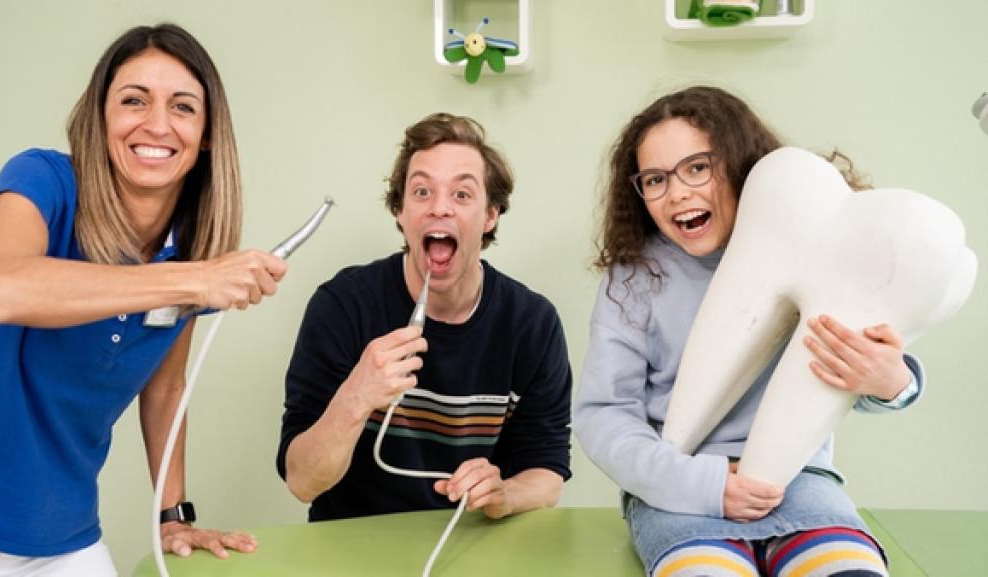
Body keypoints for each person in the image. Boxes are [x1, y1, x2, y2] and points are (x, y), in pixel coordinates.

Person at [0, 24, 288, 576]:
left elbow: (164, 388)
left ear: (207, 134)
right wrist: (190, 280)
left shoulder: (186, 255)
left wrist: (174, 515)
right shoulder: (42, 181)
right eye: (134, 100)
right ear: (101, 116)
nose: (157, 124)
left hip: (65, 536)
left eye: (183, 107)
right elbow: (5, 289)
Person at [573, 86, 924, 577]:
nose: (677, 193)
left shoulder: (819, 250)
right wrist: (701, 483)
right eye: (655, 179)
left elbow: (848, 375)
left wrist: (893, 382)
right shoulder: (634, 281)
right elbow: (604, 415)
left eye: (697, 168)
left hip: (800, 481)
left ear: (741, 164)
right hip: (680, 489)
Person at [278, 113, 571, 522]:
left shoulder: (531, 323)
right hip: (355, 539)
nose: (439, 209)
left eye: (462, 195)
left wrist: (505, 493)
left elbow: (547, 473)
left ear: (491, 215)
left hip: (467, 539)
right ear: (400, 210)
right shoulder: (342, 305)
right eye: (421, 192)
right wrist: (357, 396)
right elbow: (302, 481)